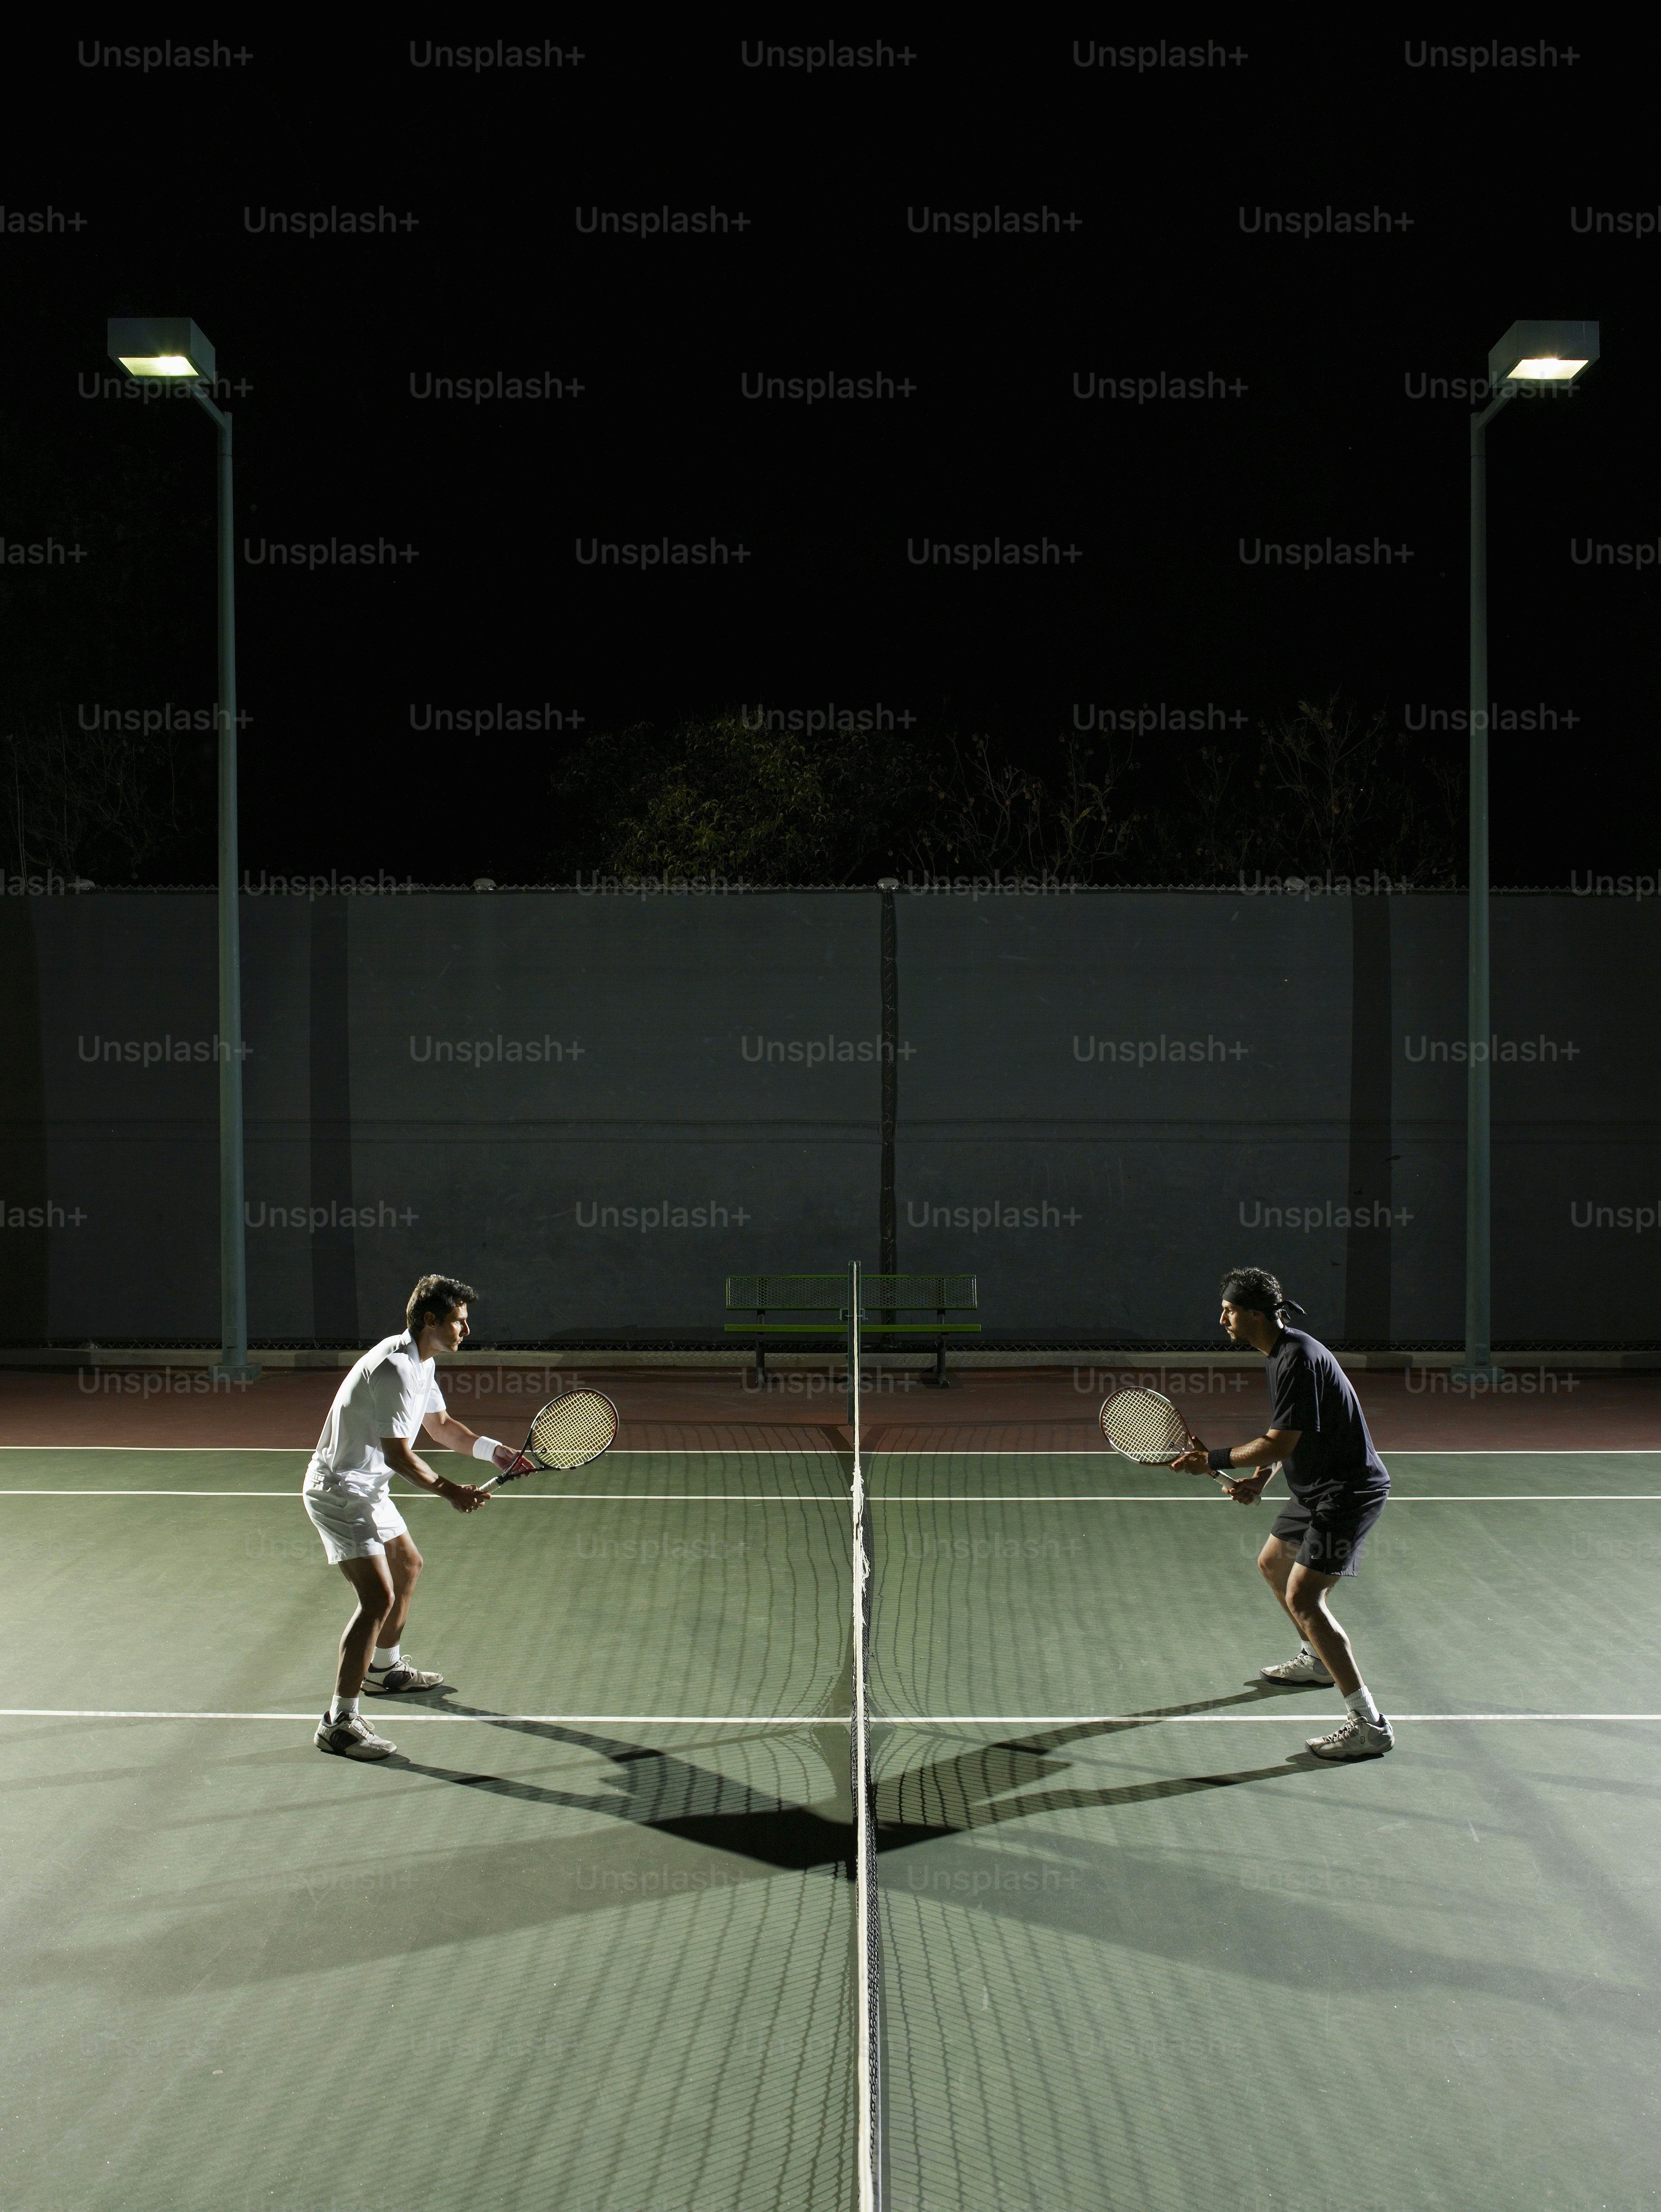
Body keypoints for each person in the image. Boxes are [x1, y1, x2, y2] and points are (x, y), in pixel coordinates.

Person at [1173, 1267, 1394, 1762]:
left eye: (1229, 1310)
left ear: (1254, 1313)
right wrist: (1261, 1479)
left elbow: (1277, 1439)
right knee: (1273, 1564)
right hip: (1317, 1486)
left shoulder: (1295, 1357)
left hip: (1348, 1490)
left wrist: (1212, 1459)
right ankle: (1317, 1661)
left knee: (1305, 1596)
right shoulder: (1282, 1352)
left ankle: (1369, 1724)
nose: (1221, 1318)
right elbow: (1293, 1434)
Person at [304, 1273, 520, 1760]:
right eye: (459, 1321)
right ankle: (339, 1721)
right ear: (430, 1320)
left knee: (409, 1565)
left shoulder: (421, 1362)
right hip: (340, 1491)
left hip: (368, 1486)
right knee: (377, 1596)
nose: (467, 1329)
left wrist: (494, 1452)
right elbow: (400, 1455)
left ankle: (384, 1668)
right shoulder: (395, 1370)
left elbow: (441, 1427)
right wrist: (451, 1491)